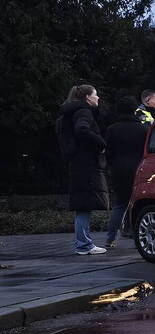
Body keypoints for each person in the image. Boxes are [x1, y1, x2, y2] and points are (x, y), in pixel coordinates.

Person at [57, 84, 109, 255]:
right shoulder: (84, 111)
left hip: (77, 162)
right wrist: (101, 143)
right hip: (85, 163)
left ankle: (83, 243)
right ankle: (84, 245)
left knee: (82, 205)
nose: (98, 98)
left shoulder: (68, 112)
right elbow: (82, 129)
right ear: (87, 97)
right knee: (84, 205)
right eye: (96, 95)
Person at [104, 96, 149, 247]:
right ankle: (139, 240)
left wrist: (112, 166)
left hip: (119, 170)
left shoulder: (112, 129)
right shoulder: (143, 129)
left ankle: (110, 238)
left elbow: (108, 153)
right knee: (140, 205)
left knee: (119, 205)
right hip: (139, 169)